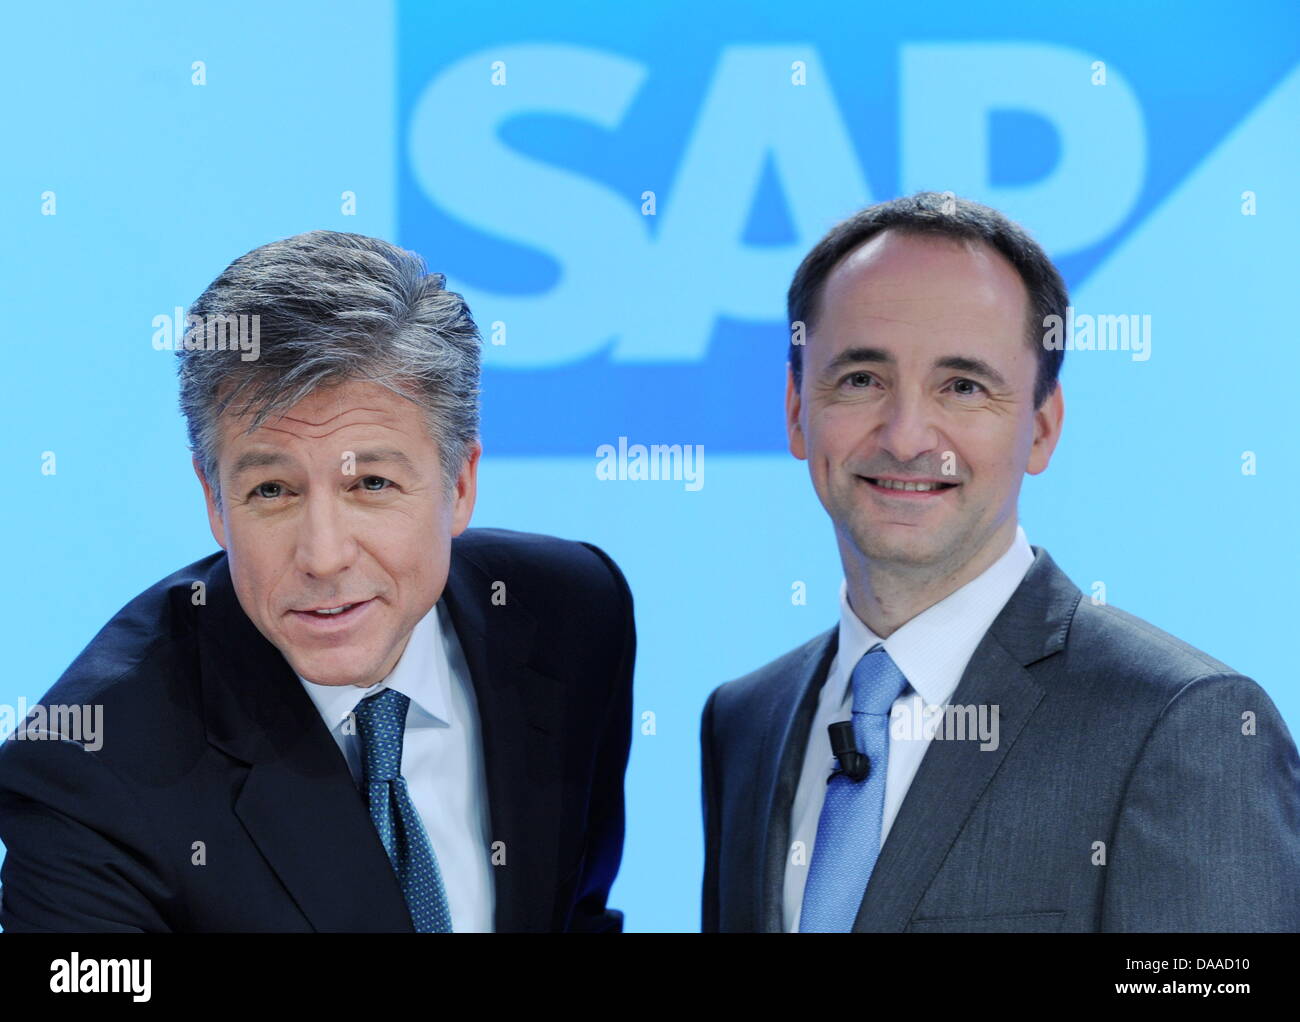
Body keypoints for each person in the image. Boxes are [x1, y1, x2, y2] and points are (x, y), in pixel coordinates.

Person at [0, 230, 635, 932]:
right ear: (214, 499)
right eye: (272, 490)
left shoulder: (572, 619)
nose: (323, 556)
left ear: (460, 484)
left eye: (371, 483)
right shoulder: (90, 776)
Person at [700, 192, 1300, 932]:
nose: (908, 435)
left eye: (964, 387)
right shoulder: (745, 721)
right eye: (861, 379)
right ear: (797, 410)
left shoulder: (1180, 726)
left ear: (1042, 430)